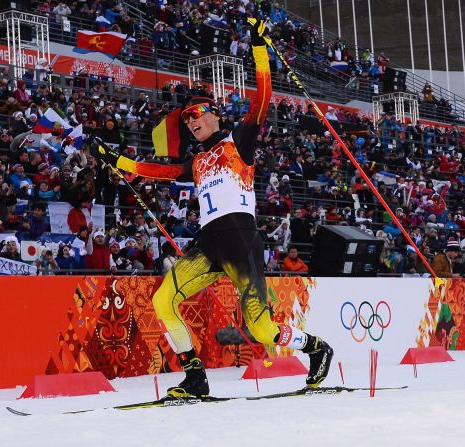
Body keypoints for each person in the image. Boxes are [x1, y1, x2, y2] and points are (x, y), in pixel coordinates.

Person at [92, 19, 332, 398]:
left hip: (240, 239)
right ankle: (194, 376)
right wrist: (117, 161)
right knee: (162, 299)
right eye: (186, 118)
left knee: (262, 329)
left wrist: (257, 48)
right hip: (208, 243)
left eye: (197, 114)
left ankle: (316, 348)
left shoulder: (239, 142)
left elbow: (263, 99)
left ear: (215, 115)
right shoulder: (197, 160)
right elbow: (162, 171)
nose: (191, 122)